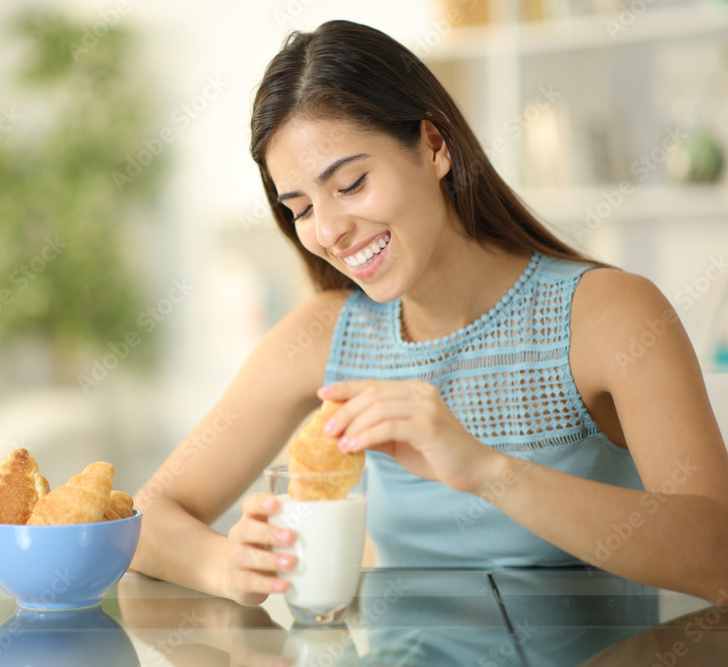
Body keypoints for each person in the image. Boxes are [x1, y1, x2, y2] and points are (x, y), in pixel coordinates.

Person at [129, 19, 728, 606]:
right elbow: (145, 518)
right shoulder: (326, 335)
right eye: (301, 208)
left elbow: (719, 556)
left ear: (434, 146)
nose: (330, 231)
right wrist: (226, 566)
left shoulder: (608, 315)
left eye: (352, 183)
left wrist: (485, 469)